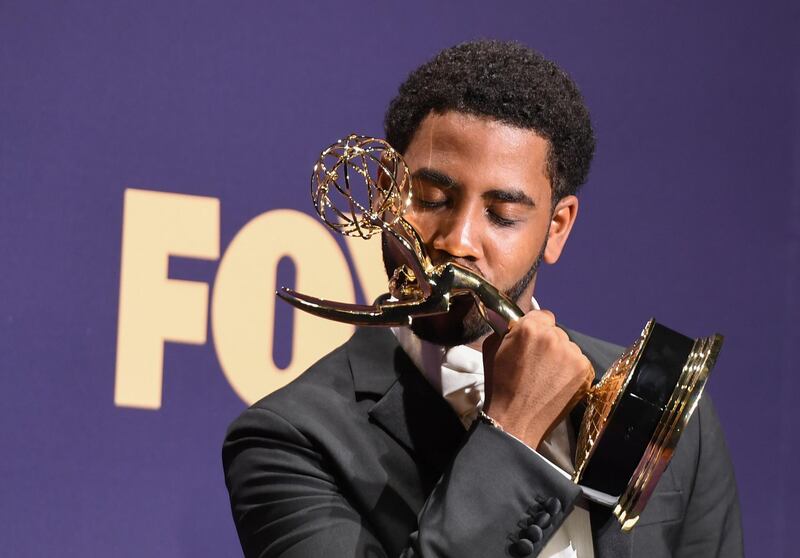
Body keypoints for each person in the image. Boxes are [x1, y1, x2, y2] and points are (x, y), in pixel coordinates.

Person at [223, 40, 743, 557]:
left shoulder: (676, 423)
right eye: (430, 199)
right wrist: (514, 432)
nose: (457, 240)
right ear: (384, 192)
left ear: (557, 228)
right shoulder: (290, 440)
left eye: (502, 214)